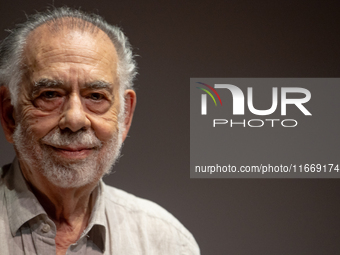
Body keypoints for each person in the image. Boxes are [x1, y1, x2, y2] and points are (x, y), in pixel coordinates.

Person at [0, 7, 199, 255]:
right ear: (10, 115)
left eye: (95, 96)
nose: (74, 119)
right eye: (49, 95)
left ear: (124, 116)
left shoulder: (165, 243)